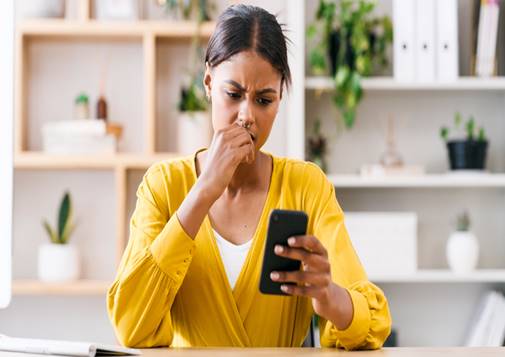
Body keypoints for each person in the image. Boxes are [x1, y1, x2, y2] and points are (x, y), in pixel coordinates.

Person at [107, 4, 391, 350]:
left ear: (280, 96)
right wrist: (203, 192)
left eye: (263, 100)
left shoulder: (306, 187)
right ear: (208, 82)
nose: (246, 116)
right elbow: (130, 325)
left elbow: (374, 324)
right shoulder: (163, 186)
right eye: (234, 94)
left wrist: (328, 295)